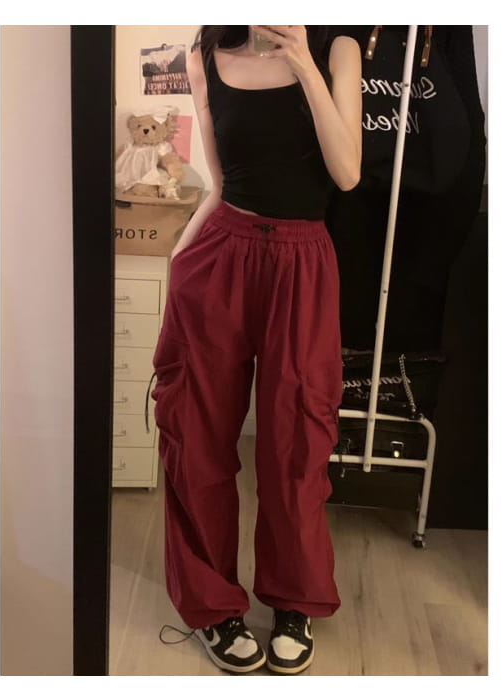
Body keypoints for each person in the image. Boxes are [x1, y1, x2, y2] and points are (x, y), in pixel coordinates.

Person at [149, 25, 362, 675]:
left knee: (299, 439)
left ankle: (294, 600)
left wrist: (302, 61)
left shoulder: (336, 50)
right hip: (222, 254)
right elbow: (220, 184)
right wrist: (178, 261)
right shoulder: (205, 54)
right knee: (196, 434)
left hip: (303, 261)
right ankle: (213, 604)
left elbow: (347, 173)